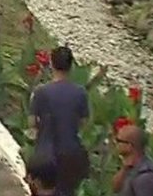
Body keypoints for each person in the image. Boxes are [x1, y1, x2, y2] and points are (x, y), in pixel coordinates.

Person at [31, 46, 91, 194]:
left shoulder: (41, 92)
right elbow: (83, 123)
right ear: (71, 66)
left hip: (45, 154)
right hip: (71, 153)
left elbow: (32, 122)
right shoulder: (80, 93)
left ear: (51, 64)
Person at [112, 125, 153, 196]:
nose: (115, 143)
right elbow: (116, 188)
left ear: (129, 146)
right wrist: (124, 168)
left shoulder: (146, 177)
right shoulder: (130, 168)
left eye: (118, 140)